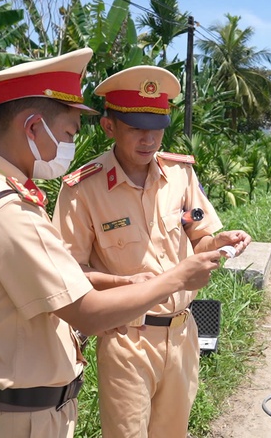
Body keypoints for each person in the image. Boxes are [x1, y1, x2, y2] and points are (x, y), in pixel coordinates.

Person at [0, 50, 223, 438]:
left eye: (157, 125)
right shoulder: (9, 209)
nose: (149, 138)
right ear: (34, 127)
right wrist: (177, 277)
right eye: (70, 133)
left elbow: (196, 226)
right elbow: (85, 310)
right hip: (26, 411)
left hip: (29, 405)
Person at [53, 65, 252, 438]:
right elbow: (68, 275)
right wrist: (124, 282)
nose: (149, 139)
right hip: (127, 337)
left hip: (182, 332)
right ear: (109, 126)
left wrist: (219, 242)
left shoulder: (180, 175)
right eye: (136, 127)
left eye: (157, 126)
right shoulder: (83, 189)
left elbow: (199, 239)